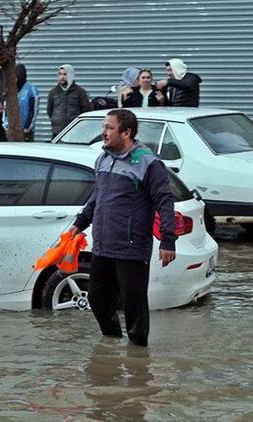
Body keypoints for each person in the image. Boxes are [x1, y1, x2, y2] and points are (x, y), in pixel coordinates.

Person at [68, 109, 177, 347]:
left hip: (131, 246)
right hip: (104, 243)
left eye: (109, 128)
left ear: (126, 132)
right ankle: (112, 343)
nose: (103, 133)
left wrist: (168, 240)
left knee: (133, 306)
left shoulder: (148, 163)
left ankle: (138, 357)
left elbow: (165, 201)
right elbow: (97, 196)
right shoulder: (103, 159)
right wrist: (79, 223)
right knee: (97, 298)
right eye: (104, 127)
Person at [48, 64, 91, 138]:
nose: (62, 77)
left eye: (65, 74)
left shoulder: (79, 92)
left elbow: (86, 110)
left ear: (70, 75)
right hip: (57, 131)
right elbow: (50, 111)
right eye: (60, 74)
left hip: (74, 131)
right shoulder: (53, 92)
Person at [2, 64, 39, 141]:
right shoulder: (10, 89)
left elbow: (33, 110)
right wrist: (6, 125)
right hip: (11, 130)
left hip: (25, 131)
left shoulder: (31, 89)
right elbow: (5, 109)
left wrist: (28, 127)